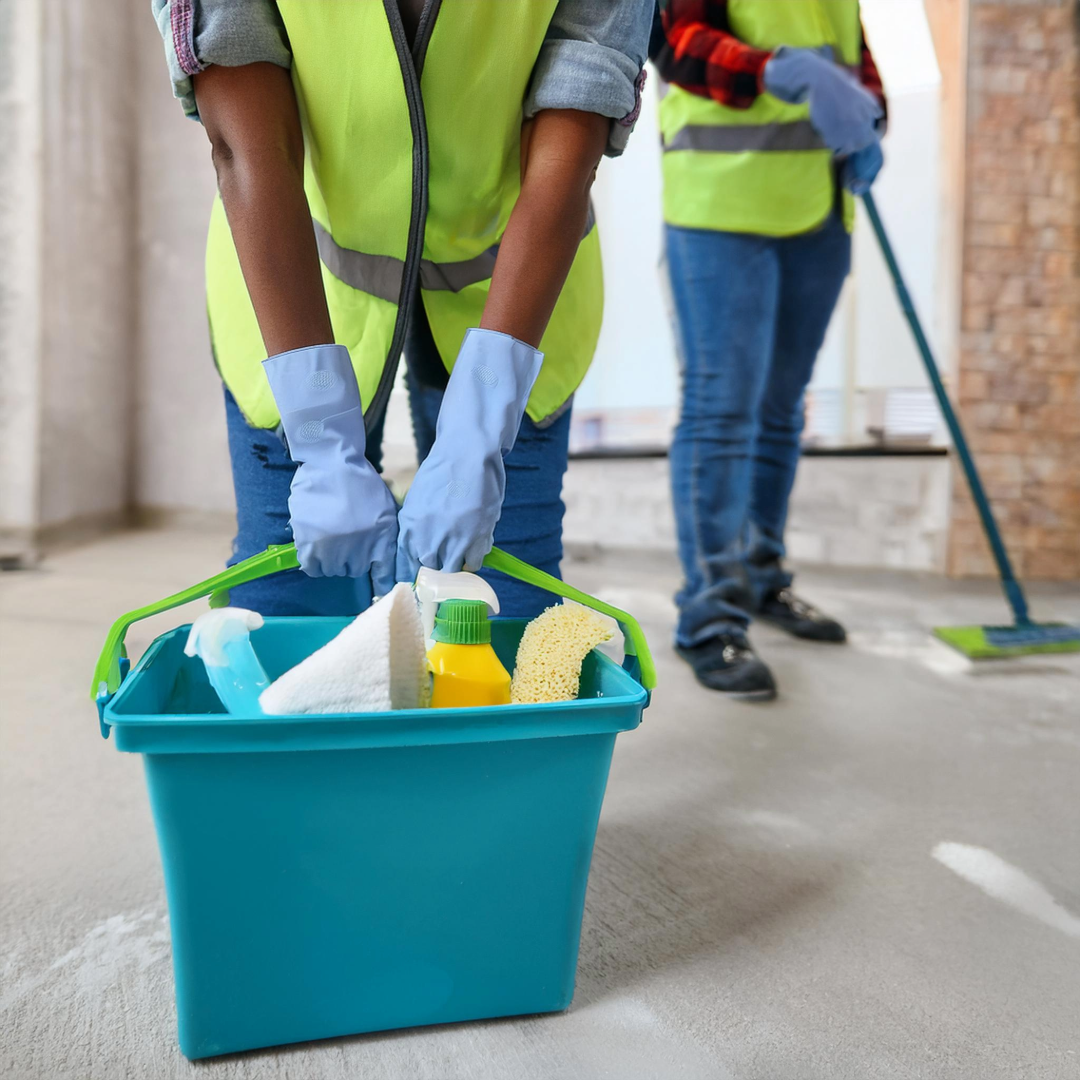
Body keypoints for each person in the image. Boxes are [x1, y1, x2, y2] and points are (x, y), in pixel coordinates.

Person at [152, 0, 652, 618]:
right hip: (301, 282)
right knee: (289, 611)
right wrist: (318, 434)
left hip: (512, 289)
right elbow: (244, 142)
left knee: (506, 614)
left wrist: (480, 433)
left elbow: (569, 151)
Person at [651, 0, 887, 699]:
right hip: (720, 207)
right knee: (722, 412)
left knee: (782, 409)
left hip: (819, 207)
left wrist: (870, 115)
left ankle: (760, 576)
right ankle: (709, 617)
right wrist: (774, 70)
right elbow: (677, 43)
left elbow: (852, 55)